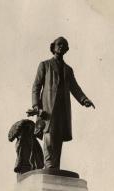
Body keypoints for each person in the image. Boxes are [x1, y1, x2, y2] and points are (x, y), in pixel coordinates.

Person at [30, 36, 95, 169]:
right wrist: (36, 106)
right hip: (47, 108)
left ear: (66, 50)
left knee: (58, 138)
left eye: (64, 45)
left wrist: (84, 99)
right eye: (59, 44)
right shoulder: (45, 65)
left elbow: (75, 87)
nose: (61, 46)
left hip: (62, 109)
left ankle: (55, 168)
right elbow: (36, 86)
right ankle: (48, 165)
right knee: (48, 135)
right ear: (53, 47)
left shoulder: (68, 70)